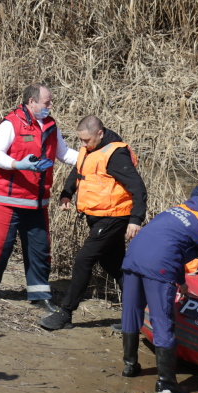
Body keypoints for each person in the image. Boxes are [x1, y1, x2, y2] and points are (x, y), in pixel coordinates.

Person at [120, 189, 198, 393]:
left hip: (133, 257)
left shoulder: (179, 209)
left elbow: (173, 245)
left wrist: (181, 281)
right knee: (162, 319)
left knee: (131, 311)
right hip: (159, 265)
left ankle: (130, 366)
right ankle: (166, 382)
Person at [0, 83, 78, 311]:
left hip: (37, 202)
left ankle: (39, 293)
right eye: (46, 103)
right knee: (0, 246)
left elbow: (64, 153)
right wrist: (17, 164)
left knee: (40, 249)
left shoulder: (51, 125)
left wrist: (95, 159)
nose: (50, 106)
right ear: (31, 101)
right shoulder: (10, 123)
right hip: (6, 200)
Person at [39, 115, 147, 330]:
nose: (83, 144)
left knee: (83, 260)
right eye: (80, 140)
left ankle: (65, 312)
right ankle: (139, 314)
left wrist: (136, 220)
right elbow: (79, 170)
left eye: (86, 140)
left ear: (99, 133)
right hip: (98, 217)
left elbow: (138, 187)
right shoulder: (89, 150)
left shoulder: (116, 155)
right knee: (114, 265)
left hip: (113, 218)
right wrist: (66, 193)